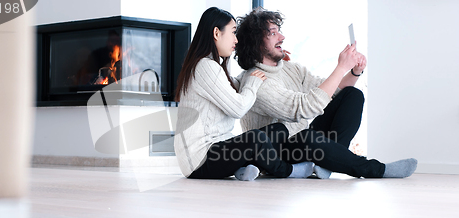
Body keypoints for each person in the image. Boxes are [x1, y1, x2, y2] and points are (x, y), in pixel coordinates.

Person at [234, 7, 417, 179]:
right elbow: (303, 109)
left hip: (303, 142)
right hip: (275, 153)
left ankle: (327, 164)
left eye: (278, 31)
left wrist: (354, 71)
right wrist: (341, 66)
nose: (282, 37)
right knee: (307, 138)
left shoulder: (291, 69)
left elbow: (330, 92)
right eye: (273, 33)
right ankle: (377, 169)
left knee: (352, 95)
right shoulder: (256, 80)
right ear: (256, 43)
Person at [174, 7, 315, 181]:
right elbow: (238, 108)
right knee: (256, 138)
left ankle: (243, 169)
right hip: (200, 160)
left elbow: (235, 87)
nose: (236, 39)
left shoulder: (209, 66)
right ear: (217, 33)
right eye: (233, 33)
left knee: (278, 130)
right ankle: (289, 170)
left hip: (216, 151)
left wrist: (272, 62)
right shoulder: (205, 66)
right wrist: (253, 83)